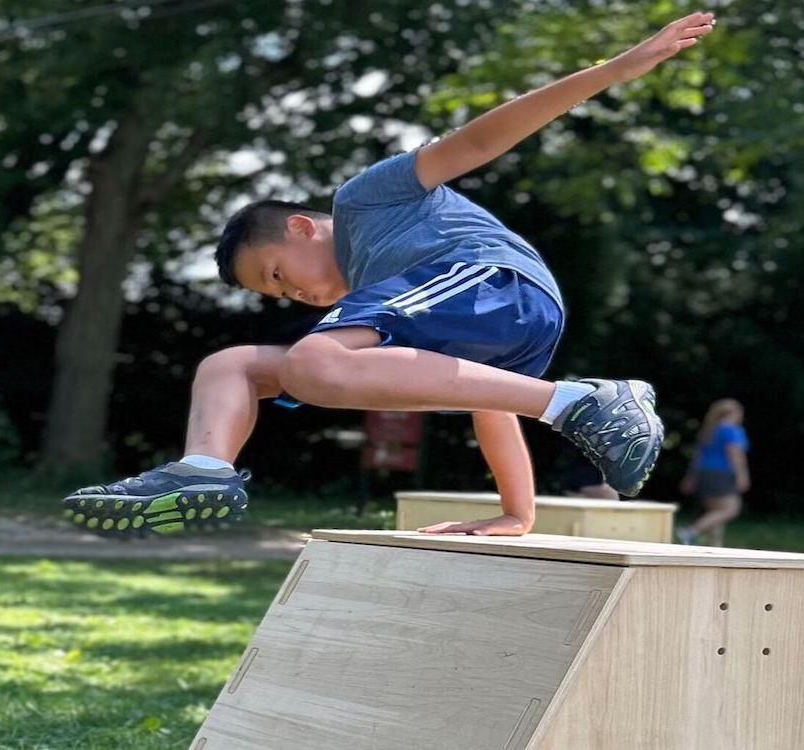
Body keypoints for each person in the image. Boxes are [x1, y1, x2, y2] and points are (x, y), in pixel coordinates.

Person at [61, 12, 718, 538]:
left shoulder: (364, 202)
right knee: (232, 366)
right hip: (503, 326)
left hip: (491, 279)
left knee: (313, 361)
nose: (296, 294)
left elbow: (479, 142)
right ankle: (202, 471)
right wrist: (518, 512)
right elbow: (489, 401)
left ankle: (586, 402)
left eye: (280, 275)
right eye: (281, 294)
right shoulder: (392, 315)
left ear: (298, 227)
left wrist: (617, 68)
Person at [675, 398, 749, 546]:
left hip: (703, 474)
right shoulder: (732, 430)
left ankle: (716, 546)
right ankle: (691, 532)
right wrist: (742, 475)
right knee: (731, 509)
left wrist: (690, 478)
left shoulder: (709, 431)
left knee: (715, 511)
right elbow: (734, 453)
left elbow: (698, 456)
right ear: (734, 413)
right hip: (721, 473)